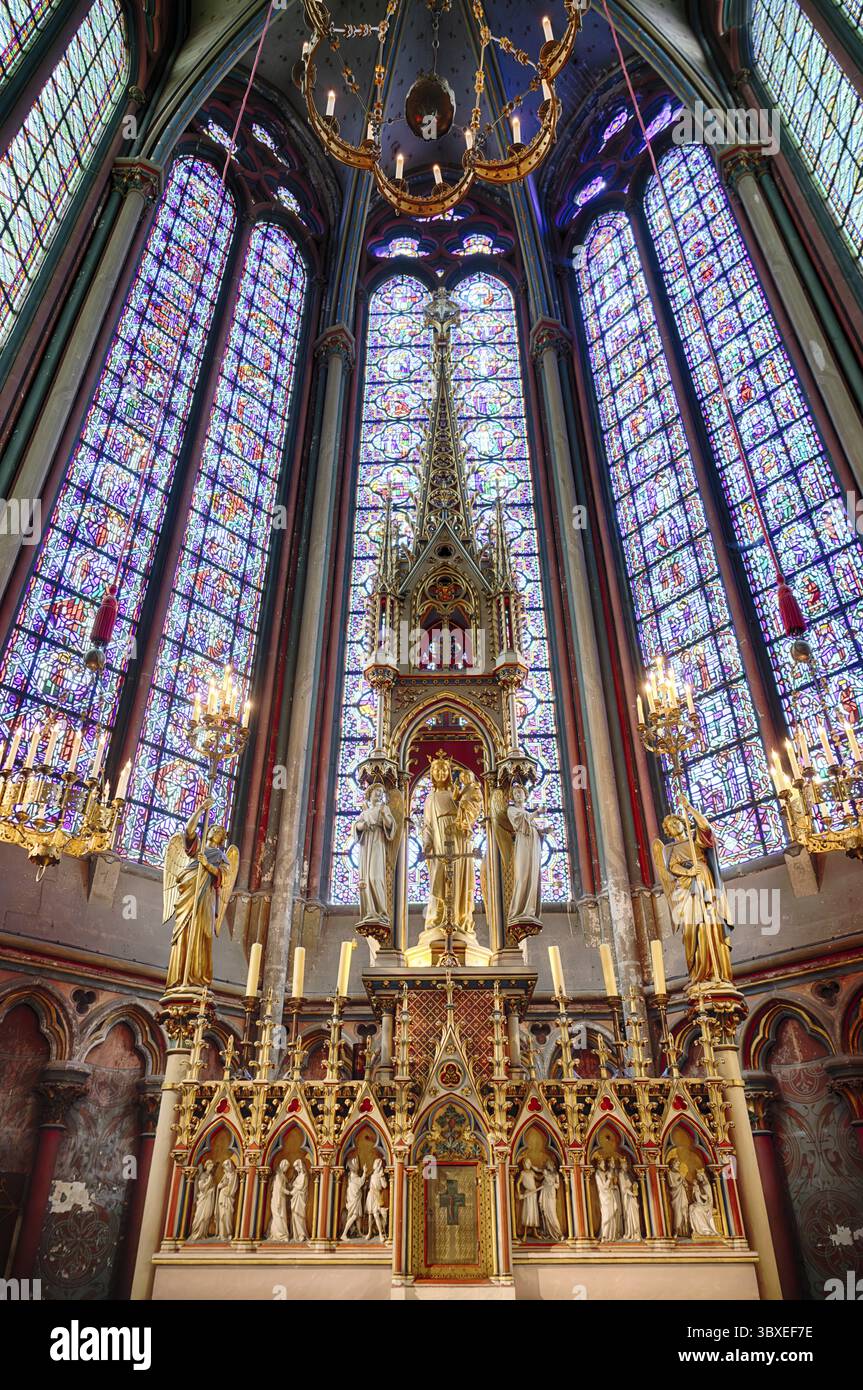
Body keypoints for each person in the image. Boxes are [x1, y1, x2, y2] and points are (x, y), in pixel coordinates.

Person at [539, 1161, 563, 1242]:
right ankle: (548, 1233)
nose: (547, 1166)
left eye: (548, 1165)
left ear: (552, 1165)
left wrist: (551, 1184)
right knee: (545, 1213)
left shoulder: (555, 1174)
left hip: (551, 1195)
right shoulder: (546, 1174)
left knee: (552, 1214)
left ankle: (559, 1233)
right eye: (546, 1165)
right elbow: (539, 1176)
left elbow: (557, 1185)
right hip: (545, 1195)